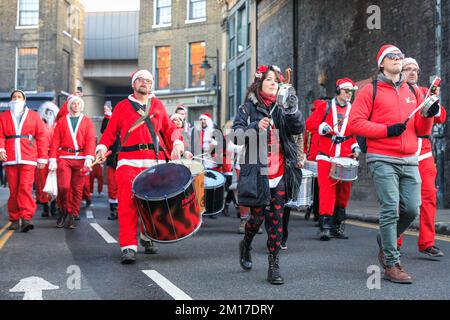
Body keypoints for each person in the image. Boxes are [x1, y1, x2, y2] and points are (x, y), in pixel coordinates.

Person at [349, 45, 438, 284]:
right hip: (382, 157)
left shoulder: (413, 91)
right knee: (390, 207)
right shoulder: (370, 90)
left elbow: (421, 131)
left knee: (411, 208)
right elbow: (356, 123)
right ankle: (391, 262)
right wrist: (386, 130)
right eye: (392, 56)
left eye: (400, 55)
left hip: (409, 159)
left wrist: (428, 116)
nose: (398, 59)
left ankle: (387, 238)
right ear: (381, 63)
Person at [95, 69, 192, 264]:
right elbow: (109, 133)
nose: (145, 83)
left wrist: (178, 144)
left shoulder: (157, 105)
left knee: (152, 204)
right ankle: (128, 247)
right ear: (133, 84)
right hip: (127, 161)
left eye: (148, 80)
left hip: (152, 162)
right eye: (140, 80)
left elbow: (170, 129)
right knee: (127, 205)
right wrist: (101, 148)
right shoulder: (122, 107)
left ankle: (148, 237)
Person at [233, 64, 304, 285]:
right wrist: (254, 126)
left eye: (277, 80)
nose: (274, 83)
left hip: (280, 171)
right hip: (257, 173)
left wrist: (292, 110)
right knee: (257, 218)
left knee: (276, 220)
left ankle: (274, 265)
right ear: (259, 84)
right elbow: (235, 136)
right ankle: (246, 244)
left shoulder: (283, 107)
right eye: (269, 80)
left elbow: (297, 128)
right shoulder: (247, 109)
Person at [397, 57, 447, 258]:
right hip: (403, 155)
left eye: (415, 70)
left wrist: (435, 100)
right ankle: (395, 243)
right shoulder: (396, 94)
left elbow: (441, 117)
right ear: (401, 72)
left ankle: (427, 242)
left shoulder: (424, 92)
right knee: (401, 202)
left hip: (424, 155)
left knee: (428, 199)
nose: (412, 72)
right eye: (407, 69)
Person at [306, 78, 360, 241]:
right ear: (338, 91)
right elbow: (309, 124)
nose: (349, 94)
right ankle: (325, 227)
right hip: (326, 156)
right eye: (346, 91)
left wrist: (355, 146)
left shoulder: (355, 110)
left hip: (345, 157)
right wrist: (322, 127)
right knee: (327, 191)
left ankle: (337, 226)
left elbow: (352, 135)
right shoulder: (325, 106)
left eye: (351, 91)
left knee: (344, 193)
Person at [0, 89, 48, 232]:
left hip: (29, 157)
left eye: (19, 96)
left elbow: (42, 137)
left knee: (25, 188)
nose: (16, 99)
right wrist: (1, 150)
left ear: (24, 100)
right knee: (14, 189)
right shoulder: (4, 116)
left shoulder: (34, 116)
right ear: (11, 100)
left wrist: (42, 157)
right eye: (14, 97)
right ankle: (14, 218)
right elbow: (0, 135)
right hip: (10, 157)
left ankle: (26, 218)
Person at [49, 95, 96, 229]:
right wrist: (52, 158)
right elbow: (55, 141)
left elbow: (90, 140)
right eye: (73, 104)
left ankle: (72, 215)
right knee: (63, 186)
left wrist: (89, 157)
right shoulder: (62, 121)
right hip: (64, 157)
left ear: (82, 106)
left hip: (81, 159)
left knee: (77, 189)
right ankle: (63, 210)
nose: (76, 106)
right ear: (70, 106)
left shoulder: (87, 121)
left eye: (78, 104)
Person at [281, 133, 305, 249]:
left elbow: (299, 139)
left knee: (286, 203)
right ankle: (274, 235)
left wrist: (300, 159)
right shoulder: (270, 117)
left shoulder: (293, 116)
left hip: (290, 165)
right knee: (272, 206)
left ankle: (282, 236)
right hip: (273, 164)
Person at [36, 101, 59, 217]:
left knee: (54, 181)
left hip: (55, 156)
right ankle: (45, 207)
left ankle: (54, 205)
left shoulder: (58, 125)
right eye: (47, 111)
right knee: (42, 183)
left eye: (51, 112)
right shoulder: (39, 125)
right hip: (42, 156)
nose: (49, 114)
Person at [101, 103, 120, 220]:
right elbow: (104, 130)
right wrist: (107, 116)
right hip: (113, 160)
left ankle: (122, 210)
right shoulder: (111, 124)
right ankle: (114, 210)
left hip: (126, 161)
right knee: (112, 186)